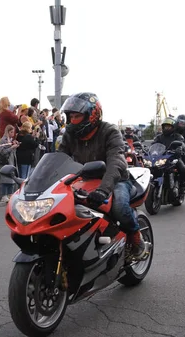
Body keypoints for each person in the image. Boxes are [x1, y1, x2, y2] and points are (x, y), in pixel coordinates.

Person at [58, 92, 151, 264]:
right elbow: (58, 159)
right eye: (70, 116)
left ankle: (137, 241)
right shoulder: (70, 135)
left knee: (119, 207)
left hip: (114, 180)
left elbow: (116, 162)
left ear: (92, 115)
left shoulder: (109, 131)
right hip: (82, 181)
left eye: (77, 116)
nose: (72, 121)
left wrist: (103, 190)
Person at [152, 117, 185, 188]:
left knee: (184, 170)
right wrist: (147, 150)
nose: (167, 128)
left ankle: (182, 186)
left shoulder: (178, 136)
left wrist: (179, 149)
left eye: (169, 127)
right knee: (150, 168)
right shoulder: (159, 137)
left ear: (173, 127)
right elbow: (153, 145)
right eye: (165, 127)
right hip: (161, 158)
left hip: (173, 158)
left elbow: (182, 144)